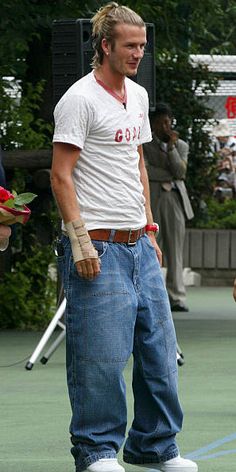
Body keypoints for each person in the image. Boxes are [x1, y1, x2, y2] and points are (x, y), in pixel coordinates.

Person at [51, 3, 198, 472]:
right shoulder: (79, 98)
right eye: (130, 45)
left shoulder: (137, 95)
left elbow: (136, 163)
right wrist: (79, 241)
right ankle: (96, 451)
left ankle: (156, 447)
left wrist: (150, 226)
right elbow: (60, 175)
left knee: (158, 354)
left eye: (142, 45)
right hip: (98, 242)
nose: (138, 53)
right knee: (101, 358)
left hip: (138, 242)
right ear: (105, 46)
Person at [143, 103, 194, 312]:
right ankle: (151, 293)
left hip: (175, 198)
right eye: (161, 122)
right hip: (154, 198)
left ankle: (177, 296)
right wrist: (169, 173)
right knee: (152, 246)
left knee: (175, 249)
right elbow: (145, 171)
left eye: (168, 122)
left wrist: (171, 149)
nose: (166, 126)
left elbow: (181, 172)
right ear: (153, 124)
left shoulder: (180, 145)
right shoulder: (144, 144)